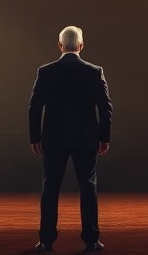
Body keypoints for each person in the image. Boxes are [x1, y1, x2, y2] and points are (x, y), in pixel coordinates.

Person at [29, 25, 112, 253]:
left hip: (53, 139)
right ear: (81, 46)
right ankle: (91, 240)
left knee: (50, 188)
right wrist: (104, 137)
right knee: (88, 187)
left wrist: (35, 137)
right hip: (86, 139)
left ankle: (46, 241)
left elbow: (34, 107)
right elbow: (105, 107)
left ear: (60, 46)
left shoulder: (45, 72)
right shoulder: (94, 71)